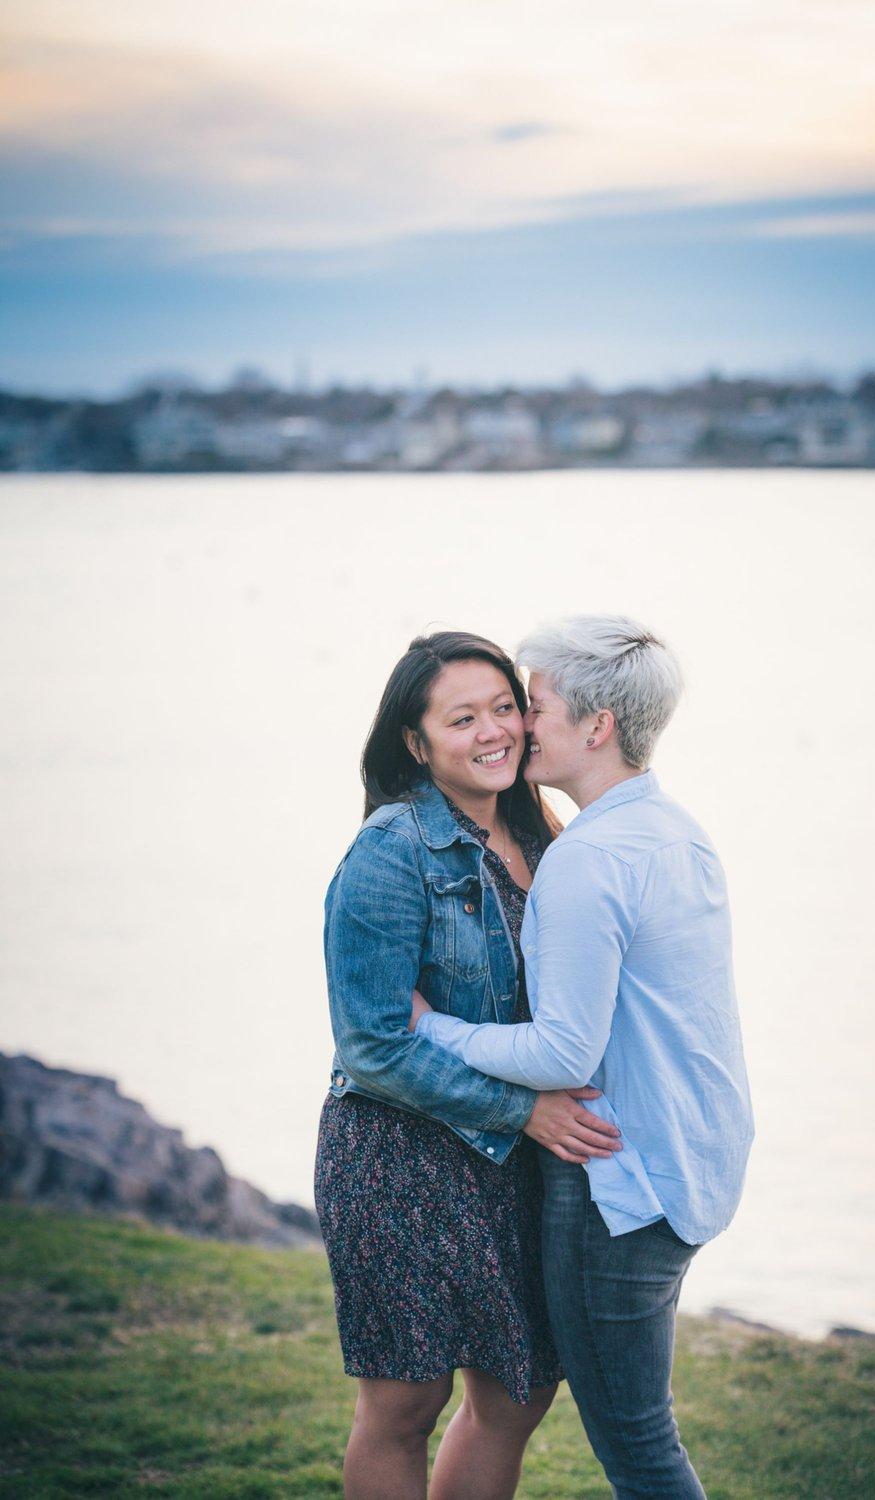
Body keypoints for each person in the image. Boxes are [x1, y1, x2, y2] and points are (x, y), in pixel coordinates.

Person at [411, 615, 754, 1500]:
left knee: (639, 1448)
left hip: (620, 1183)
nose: (518, 724)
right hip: (689, 1161)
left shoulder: (588, 858)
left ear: (596, 726)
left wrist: (430, 1029)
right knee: (639, 1433)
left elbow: (565, 1050)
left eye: (534, 704)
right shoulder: (674, 831)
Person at [314, 630, 622, 1500]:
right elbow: (371, 1043)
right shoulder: (391, 849)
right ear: (416, 744)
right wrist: (522, 1109)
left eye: (504, 708)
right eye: (462, 719)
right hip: (399, 1153)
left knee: (518, 1392)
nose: (493, 732)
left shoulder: (547, 834)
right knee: (405, 1402)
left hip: (517, 1158)